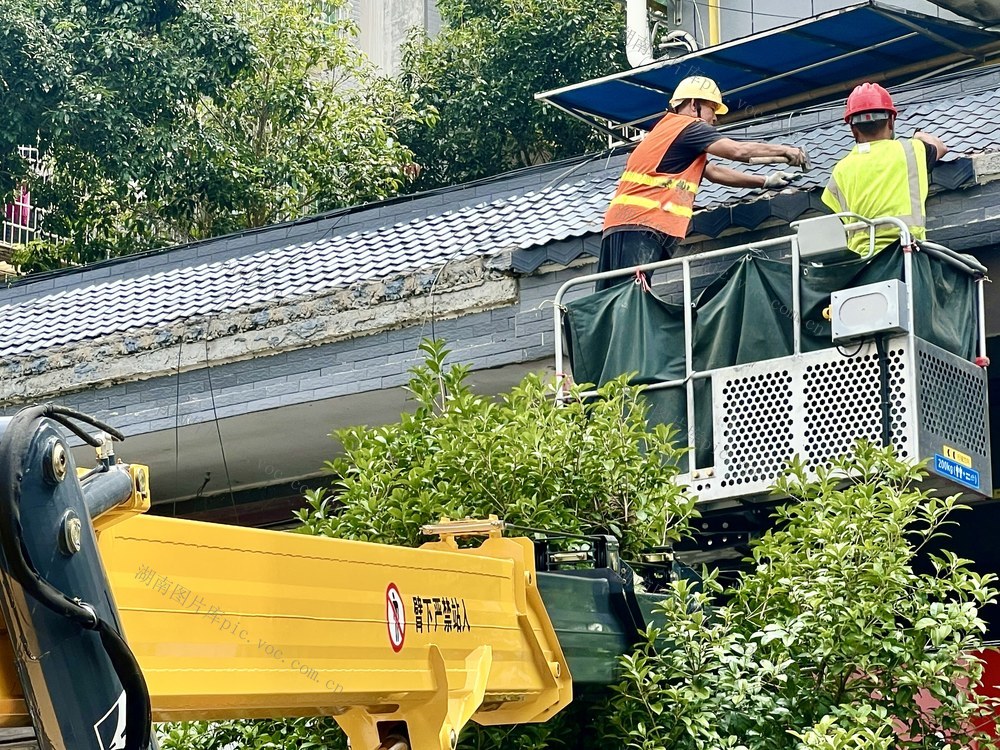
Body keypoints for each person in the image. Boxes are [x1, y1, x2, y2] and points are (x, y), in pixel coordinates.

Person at [598, 75, 808, 291]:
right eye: (712, 109)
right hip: (642, 225)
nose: (715, 118)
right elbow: (737, 151)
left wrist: (765, 181)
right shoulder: (689, 127)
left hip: (623, 224)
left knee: (612, 296)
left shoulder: (667, 133)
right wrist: (787, 150)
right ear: (693, 105)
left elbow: (714, 172)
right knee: (630, 296)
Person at [822, 82, 948, 257]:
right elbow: (940, 147)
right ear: (890, 121)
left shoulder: (840, 169)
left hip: (863, 263)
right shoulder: (912, 150)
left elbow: (837, 217)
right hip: (906, 254)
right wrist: (919, 135)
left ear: (853, 130)